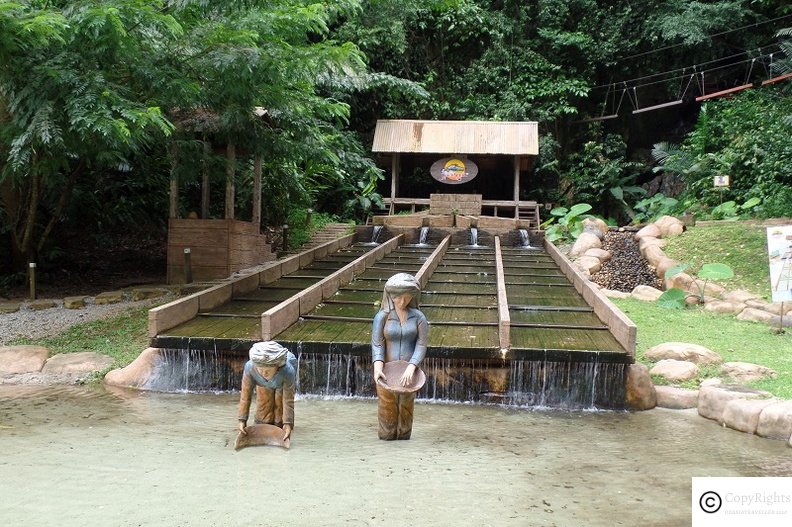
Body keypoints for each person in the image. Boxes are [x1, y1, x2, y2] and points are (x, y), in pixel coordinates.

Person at [371, 273, 429, 440]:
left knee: (406, 408)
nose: (403, 302)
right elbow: (377, 344)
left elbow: (421, 344)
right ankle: (387, 445)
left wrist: (412, 366)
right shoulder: (382, 317)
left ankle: (404, 446)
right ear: (390, 296)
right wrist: (378, 368)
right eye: (398, 298)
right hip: (386, 371)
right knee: (387, 409)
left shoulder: (419, 318)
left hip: (409, 372)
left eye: (407, 297)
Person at [237, 341, 296, 442]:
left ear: (277, 367)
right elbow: (245, 396)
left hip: (280, 383)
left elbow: (288, 399)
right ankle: (263, 424)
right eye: (261, 370)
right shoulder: (250, 368)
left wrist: (287, 424)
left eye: (268, 371)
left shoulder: (287, 371)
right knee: (263, 409)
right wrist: (242, 420)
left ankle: (279, 426)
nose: (264, 373)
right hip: (262, 384)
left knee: (279, 409)